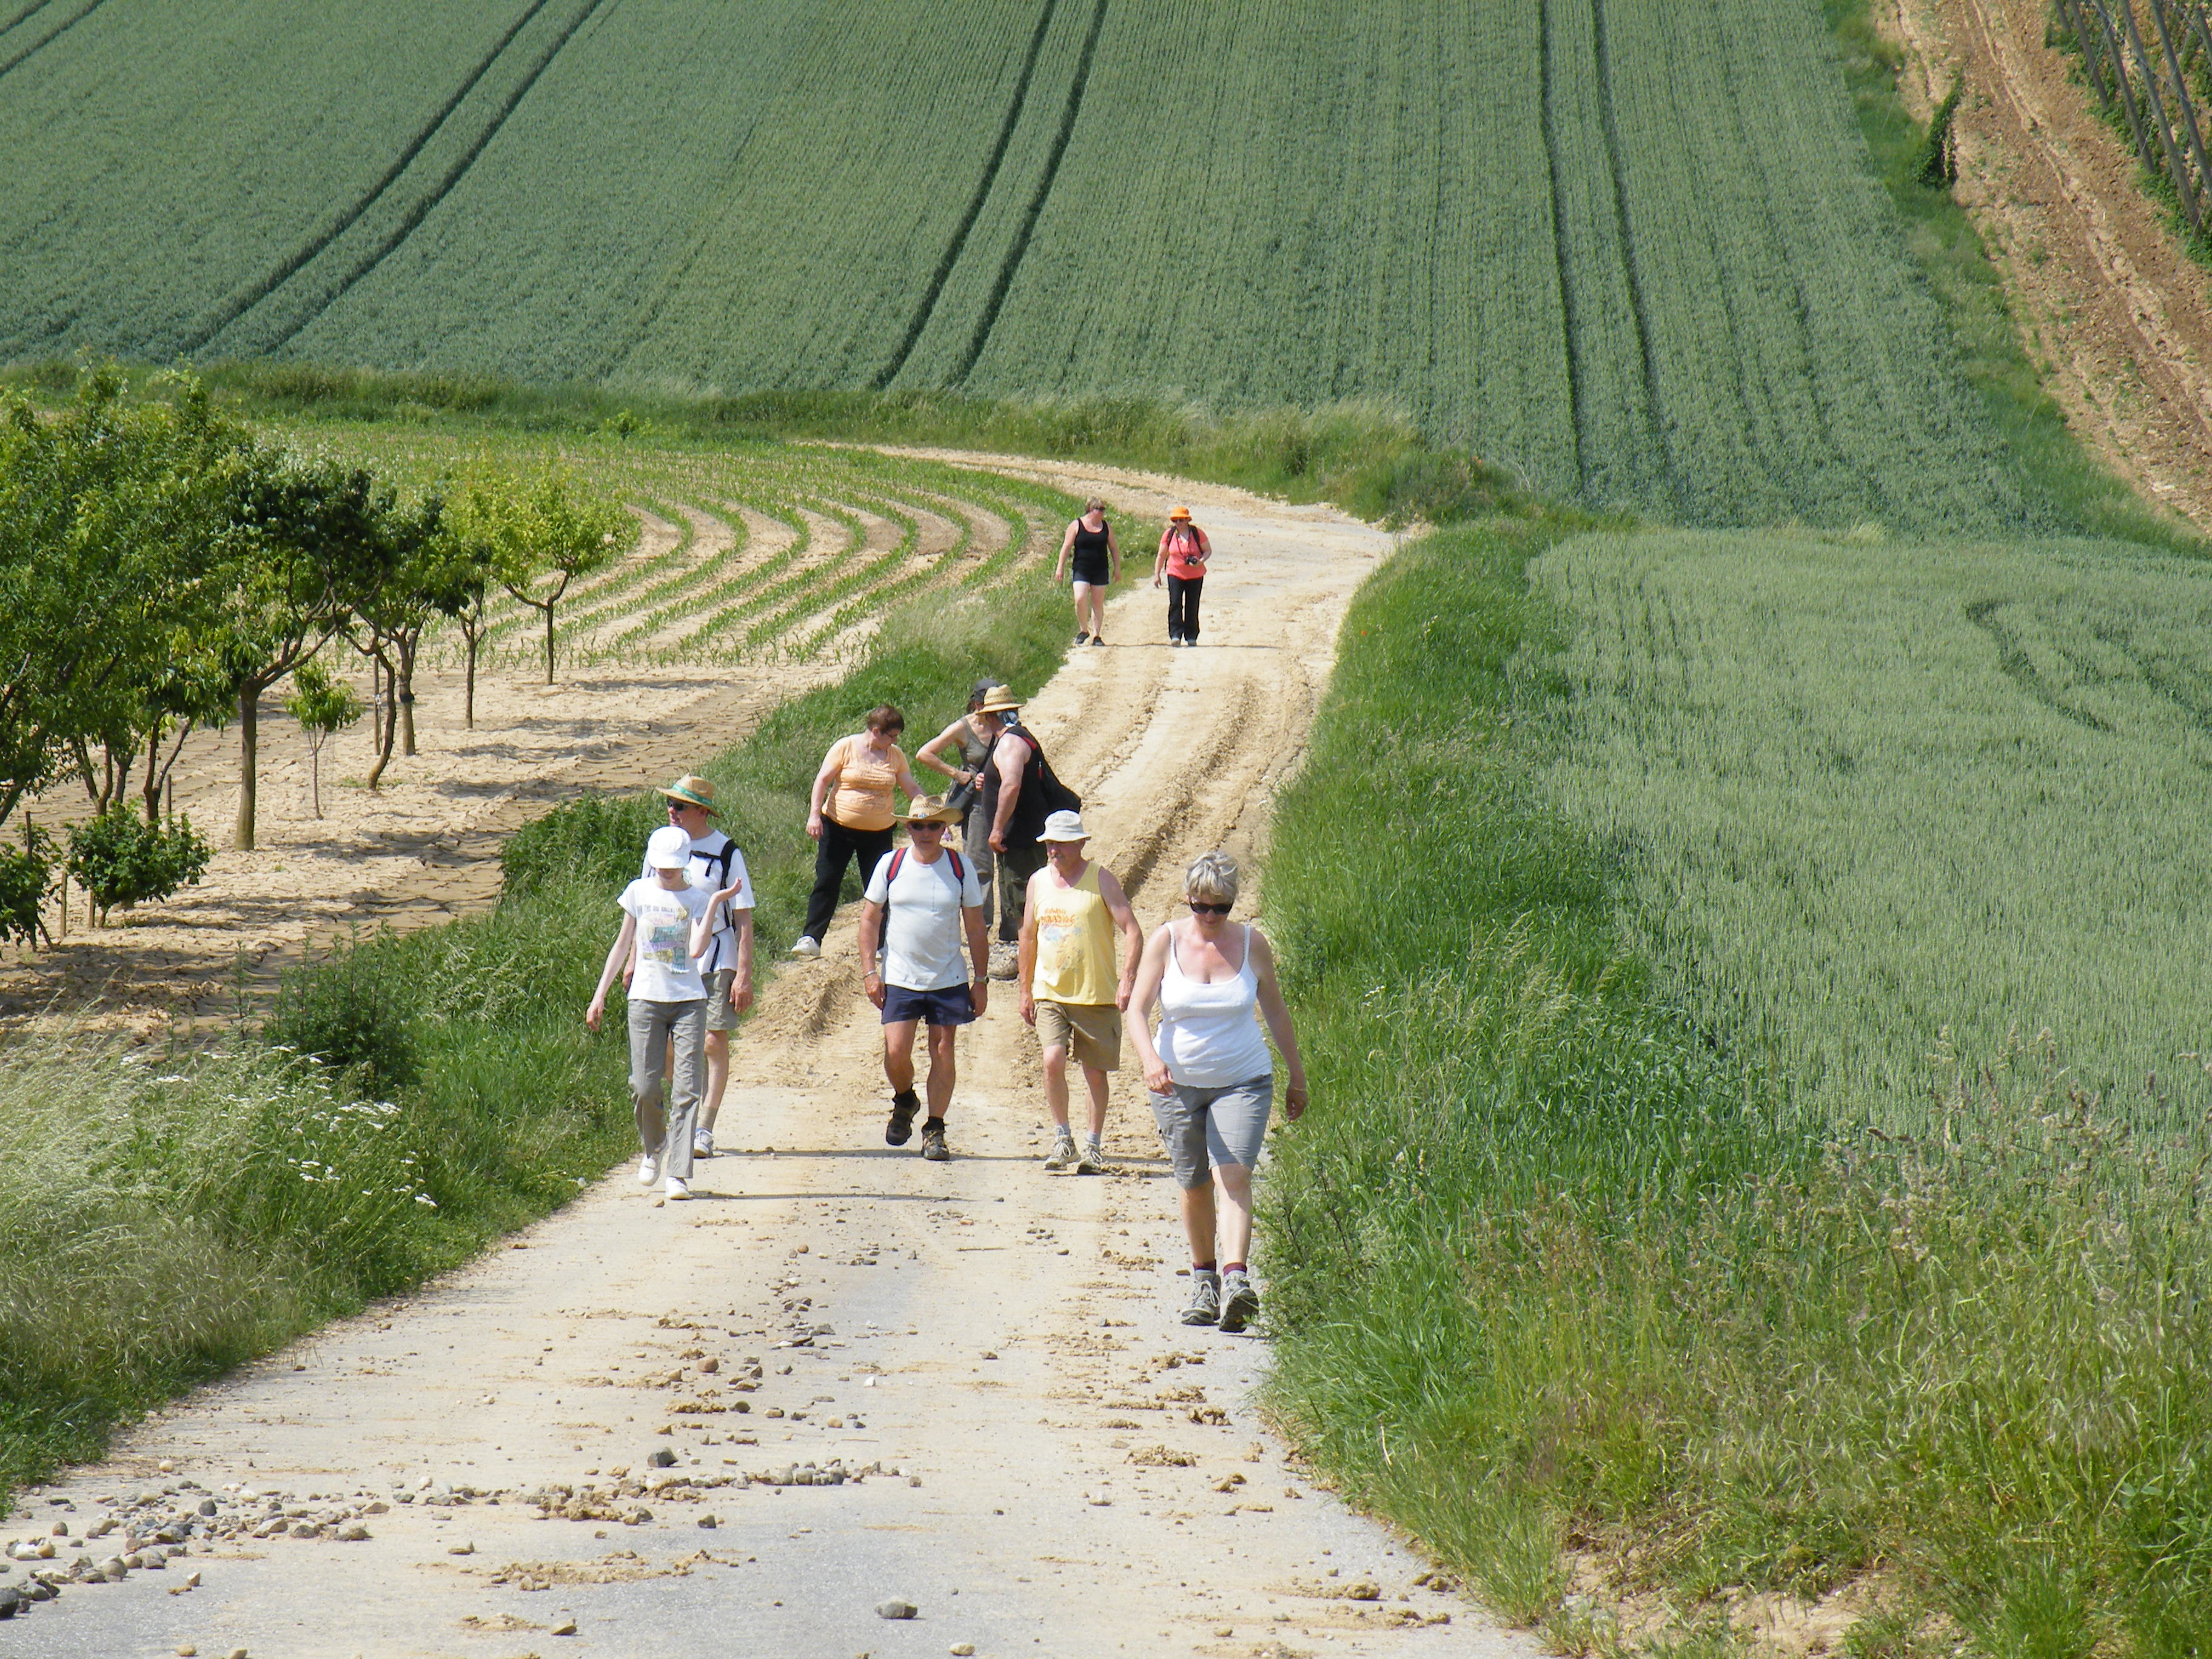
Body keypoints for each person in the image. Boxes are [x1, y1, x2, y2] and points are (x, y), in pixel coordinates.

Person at [1125, 851, 1309, 1332]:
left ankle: (1236, 1280)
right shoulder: (1166, 941)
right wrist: (1150, 1060)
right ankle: (1203, 1282)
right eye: (1201, 906)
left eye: (1221, 907)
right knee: (1193, 1183)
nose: (1210, 916)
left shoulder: (1252, 944)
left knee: (1234, 1175)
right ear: (1188, 899)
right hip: (1176, 1083)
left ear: (1233, 903)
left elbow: (1276, 1011)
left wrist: (1297, 1075)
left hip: (1243, 1079)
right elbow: (1136, 1010)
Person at [586, 825, 724, 1202]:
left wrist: (714, 904)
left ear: (684, 864)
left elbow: (697, 950)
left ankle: (678, 1173)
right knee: (645, 1086)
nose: (666, 871)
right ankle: (655, 1145)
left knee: (687, 1088)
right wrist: (599, 995)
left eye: (673, 866)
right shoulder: (638, 892)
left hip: (689, 1000)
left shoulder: (697, 898)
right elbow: (622, 945)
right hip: (645, 1000)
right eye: (661, 865)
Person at [855, 796, 990, 1161]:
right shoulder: (892, 864)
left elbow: (975, 926)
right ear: (908, 827)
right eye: (918, 825)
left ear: (944, 828)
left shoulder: (960, 867)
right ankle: (905, 1100)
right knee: (896, 1051)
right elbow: (870, 918)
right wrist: (870, 972)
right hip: (900, 976)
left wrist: (981, 980)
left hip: (948, 976)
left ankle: (935, 1129)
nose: (926, 832)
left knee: (943, 1050)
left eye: (933, 825)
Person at [1019, 809, 1143, 1175]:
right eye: (1049, 843)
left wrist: (1127, 980)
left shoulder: (1101, 879)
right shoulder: (1038, 882)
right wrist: (1025, 990)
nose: (1053, 850)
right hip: (1050, 991)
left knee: (1095, 1073)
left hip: (1095, 993)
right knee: (1052, 1059)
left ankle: (1093, 1144)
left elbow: (1133, 931)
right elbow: (1028, 937)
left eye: (1060, 843)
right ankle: (1063, 1138)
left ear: (1080, 844)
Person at [643, 776, 755, 1160]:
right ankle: (685, 1114)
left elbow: (743, 916)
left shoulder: (726, 852)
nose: (672, 811)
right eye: (670, 805)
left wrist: (744, 974)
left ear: (702, 812)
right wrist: (633, 963)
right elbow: (643, 908)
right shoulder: (660, 847)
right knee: (669, 1045)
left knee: (711, 1039)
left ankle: (704, 1127)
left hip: (717, 954)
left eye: (680, 806)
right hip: (668, 956)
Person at [796, 705, 920, 959]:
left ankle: (881, 944)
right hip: (837, 827)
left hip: (878, 832)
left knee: (880, 887)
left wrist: (928, 812)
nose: (895, 741)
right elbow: (823, 780)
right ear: (876, 731)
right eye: (892, 736)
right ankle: (811, 938)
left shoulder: (895, 755)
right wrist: (814, 816)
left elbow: (911, 787)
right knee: (828, 880)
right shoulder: (846, 747)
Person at [971, 684, 1050, 977]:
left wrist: (997, 829)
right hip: (1026, 834)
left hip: (1018, 837)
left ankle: (1029, 962)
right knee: (1024, 896)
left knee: (1022, 899)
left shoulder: (1009, 743)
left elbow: (1012, 785)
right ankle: (1031, 958)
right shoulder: (1020, 738)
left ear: (992, 716)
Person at [914, 679, 1001, 940]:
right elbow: (925, 754)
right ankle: (981, 927)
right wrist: (958, 774)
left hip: (1005, 799)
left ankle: (1013, 928)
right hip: (977, 804)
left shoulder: (1007, 724)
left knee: (1010, 863)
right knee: (980, 864)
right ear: (977, 704)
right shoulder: (963, 728)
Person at [1054, 497, 1121, 647]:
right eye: (1100, 509)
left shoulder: (1106, 527)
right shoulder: (1076, 525)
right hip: (1081, 569)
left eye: (1103, 509)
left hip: (1100, 569)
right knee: (1080, 598)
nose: (1103, 512)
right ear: (1091, 510)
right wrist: (1060, 567)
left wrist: (1117, 568)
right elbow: (1066, 547)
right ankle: (1084, 630)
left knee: (1098, 603)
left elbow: (1114, 548)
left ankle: (1097, 635)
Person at [1152, 506, 1212, 646]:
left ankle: (1191, 636)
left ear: (1187, 520)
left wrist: (1200, 561)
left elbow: (1208, 551)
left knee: (1192, 604)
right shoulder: (1169, 534)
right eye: (1175, 520)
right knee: (1175, 603)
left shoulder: (1197, 533)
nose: (1178, 523)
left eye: (1181, 520)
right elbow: (1161, 555)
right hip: (1175, 573)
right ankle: (1175, 635)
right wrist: (1157, 574)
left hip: (1195, 575)